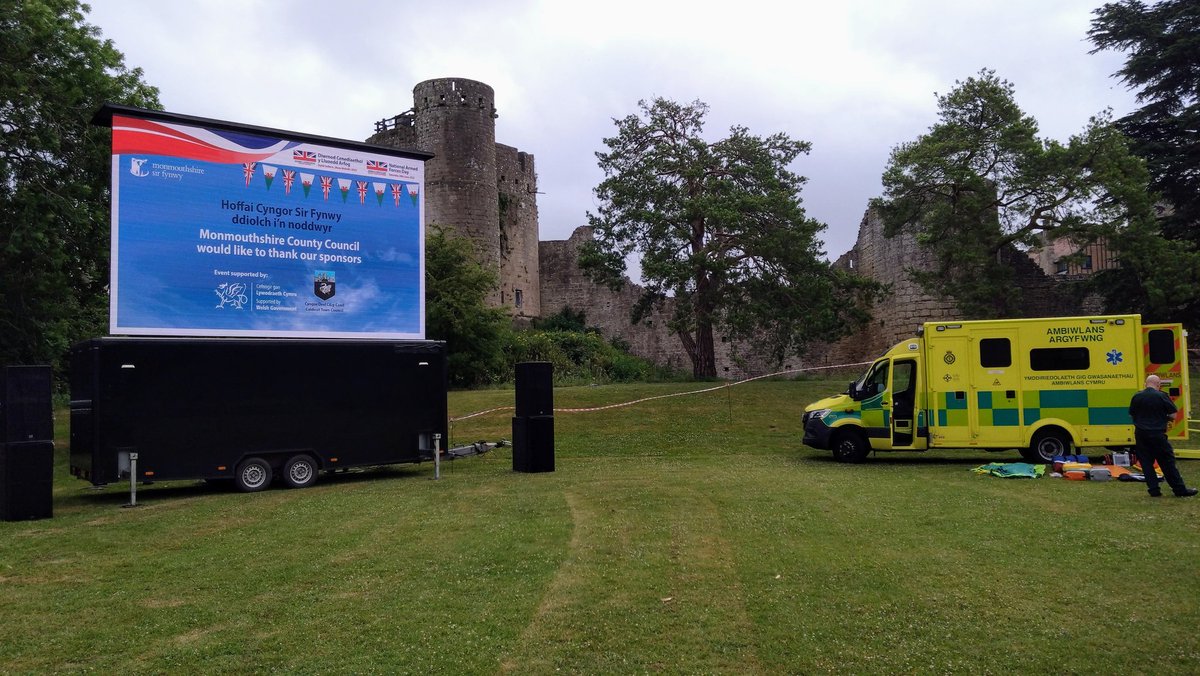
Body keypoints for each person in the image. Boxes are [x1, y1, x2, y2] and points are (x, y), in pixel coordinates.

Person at [1128, 374, 1197, 498]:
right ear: (1158, 384)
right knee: (1167, 461)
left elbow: (1132, 414)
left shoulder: (1137, 396)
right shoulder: (1161, 396)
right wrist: (1163, 418)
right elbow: (1173, 415)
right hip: (1157, 434)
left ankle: (1154, 490)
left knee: (1146, 463)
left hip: (1141, 434)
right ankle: (1179, 489)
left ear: (1145, 383)